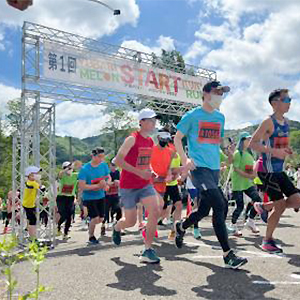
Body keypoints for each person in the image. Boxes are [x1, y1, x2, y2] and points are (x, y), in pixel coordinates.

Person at [174, 80, 248, 269]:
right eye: (217, 92)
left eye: (222, 93)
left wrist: (228, 153)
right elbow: (177, 138)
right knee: (221, 203)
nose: (220, 96)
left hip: (214, 169)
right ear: (206, 94)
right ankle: (228, 254)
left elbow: (217, 142)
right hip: (198, 169)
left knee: (204, 211)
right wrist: (185, 160)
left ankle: (181, 227)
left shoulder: (220, 117)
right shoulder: (192, 116)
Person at [249, 88, 300, 253]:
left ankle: (263, 207)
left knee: (297, 200)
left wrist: (286, 149)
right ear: (274, 103)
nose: (289, 102)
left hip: (279, 170)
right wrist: (274, 152)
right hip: (267, 170)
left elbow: (279, 144)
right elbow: (253, 144)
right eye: (286, 100)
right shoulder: (268, 122)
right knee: (280, 206)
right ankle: (267, 240)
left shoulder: (286, 122)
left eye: (290, 99)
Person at [112, 108, 161, 264]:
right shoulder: (131, 139)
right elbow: (118, 161)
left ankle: (147, 249)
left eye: (154, 120)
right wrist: (139, 173)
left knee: (155, 210)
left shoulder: (150, 141)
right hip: (128, 186)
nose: (154, 123)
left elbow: (145, 162)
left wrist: (151, 171)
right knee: (131, 222)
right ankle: (117, 227)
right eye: (150, 120)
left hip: (145, 184)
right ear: (141, 122)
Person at [228, 132, 263, 236]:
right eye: (247, 139)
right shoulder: (237, 153)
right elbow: (236, 169)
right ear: (242, 141)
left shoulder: (249, 154)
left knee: (258, 201)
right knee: (240, 207)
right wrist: (249, 176)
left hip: (248, 183)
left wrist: (253, 173)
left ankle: (250, 220)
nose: (249, 141)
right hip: (238, 184)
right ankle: (233, 225)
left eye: (250, 139)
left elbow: (249, 168)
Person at [78, 147, 110, 245]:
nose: (101, 159)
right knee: (95, 218)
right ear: (93, 156)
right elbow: (82, 185)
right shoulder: (84, 169)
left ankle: (90, 222)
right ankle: (91, 236)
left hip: (101, 196)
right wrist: (97, 186)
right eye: (99, 157)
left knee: (101, 219)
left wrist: (106, 184)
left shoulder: (104, 166)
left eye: (103, 157)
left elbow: (108, 177)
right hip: (89, 197)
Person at [56, 161, 78, 240]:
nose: (69, 169)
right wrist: (66, 169)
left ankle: (65, 233)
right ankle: (58, 226)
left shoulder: (75, 176)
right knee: (63, 214)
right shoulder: (62, 175)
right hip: (61, 197)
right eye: (66, 168)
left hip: (70, 198)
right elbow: (60, 174)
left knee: (69, 216)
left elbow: (83, 174)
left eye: (70, 168)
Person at [102, 161, 122, 235]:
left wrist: (118, 182)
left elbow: (120, 182)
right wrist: (110, 183)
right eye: (112, 165)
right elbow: (104, 182)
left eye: (115, 165)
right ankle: (104, 224)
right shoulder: (105, 173)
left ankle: (117, 225)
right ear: (109, 165)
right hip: (106, 195)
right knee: (106, 210)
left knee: (118, 209)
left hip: (115, 194)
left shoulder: (117, 172)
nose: (114, 167)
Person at [22, 166, 41, 240]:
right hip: (29, 205)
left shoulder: (28, 182)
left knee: (31, 220)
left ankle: (30, 234)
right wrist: (39, 181)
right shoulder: (32, 183)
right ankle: (32, 237)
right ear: (30, 175)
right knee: (33, 221)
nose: (37, 175)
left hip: (29, 204)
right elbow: (41, 188)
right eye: (35, 173)